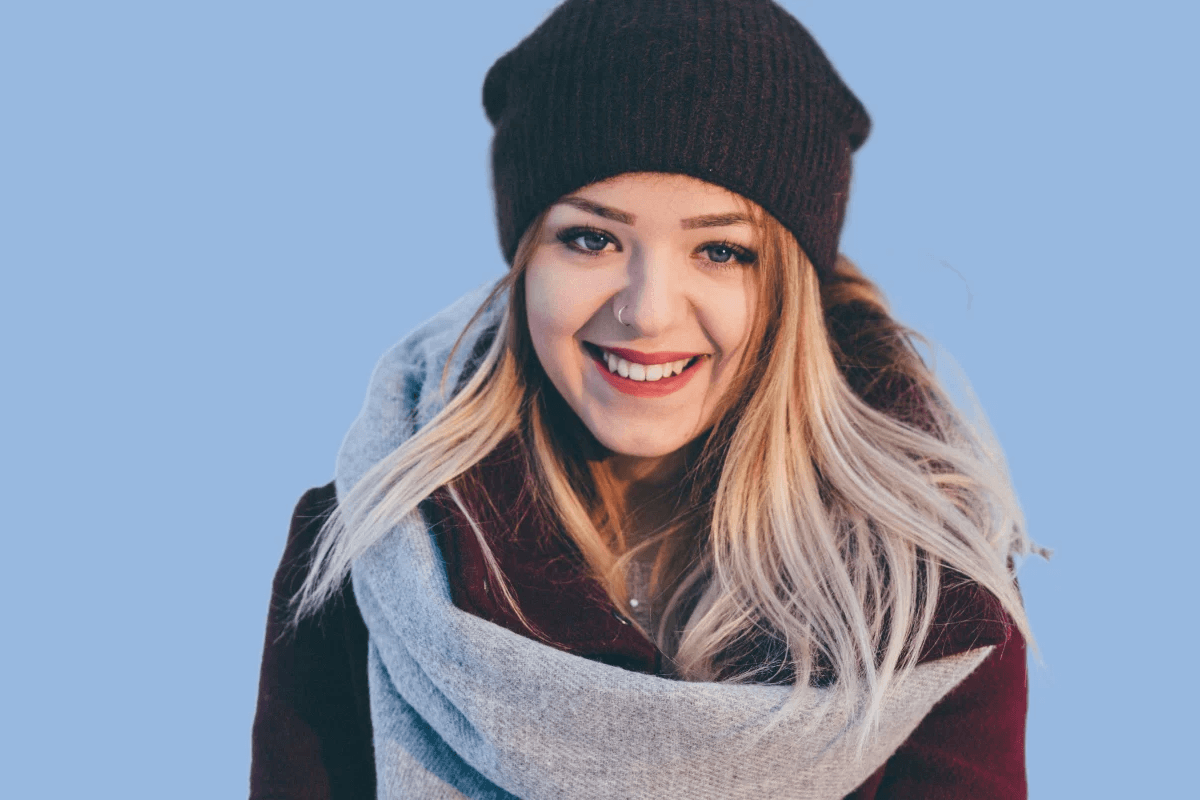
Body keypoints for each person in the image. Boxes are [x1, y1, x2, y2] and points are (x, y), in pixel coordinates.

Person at [251, 1, 1041, 797]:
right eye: (591, 239)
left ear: (791, 291)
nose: (648, 309)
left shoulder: (928, 595)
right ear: (524, 259)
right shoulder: (371, 554)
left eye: (721, 251)